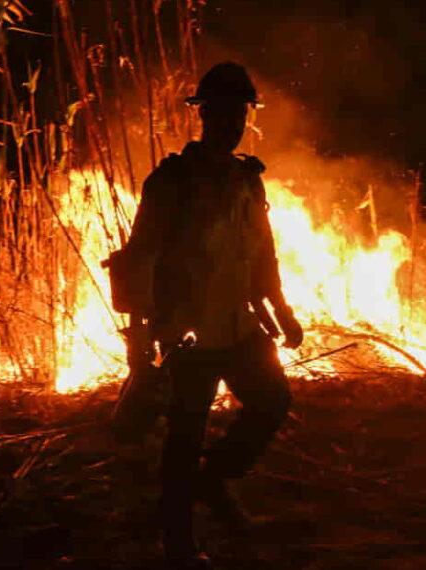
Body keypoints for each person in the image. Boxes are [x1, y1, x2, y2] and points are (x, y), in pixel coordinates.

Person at [116, 62, 303, 569]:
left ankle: (211, 482)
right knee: (185, 436)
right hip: (188, 333)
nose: (231, 121)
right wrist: (140, 348)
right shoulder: (171, 182)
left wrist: (282, 311)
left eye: (239, 112)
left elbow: (262, 256)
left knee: (271, 402)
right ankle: (178, 540)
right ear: (202, 114)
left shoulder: (249, 180)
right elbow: (137, 260)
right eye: (221, 111)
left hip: (240, 326)